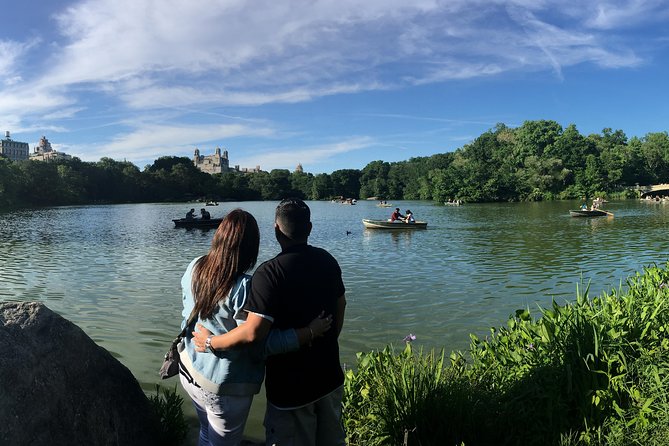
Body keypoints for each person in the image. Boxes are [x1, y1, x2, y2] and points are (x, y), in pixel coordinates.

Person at [193, 198, 347, 446]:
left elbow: (253, 332)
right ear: (309, 228)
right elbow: (341, 305)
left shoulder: (269, 273)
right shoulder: (328, 260)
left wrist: (210, 341)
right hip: (330, 377)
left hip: (291, 389)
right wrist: (328, 341)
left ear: (276, 230)